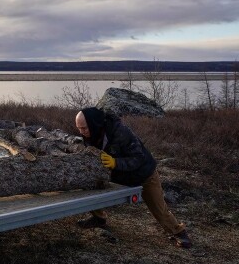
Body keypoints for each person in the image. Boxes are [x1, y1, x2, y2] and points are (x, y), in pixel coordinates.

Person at [74, 107, 192, 249]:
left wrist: (115, 162)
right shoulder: (90, 135)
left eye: (84, 128)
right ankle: (99, 218)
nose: (81, 132)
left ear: (94, 124)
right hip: (118, 175)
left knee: (159, 208)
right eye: (79, 128)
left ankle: (178, 232)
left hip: (143, 174)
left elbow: (138, 158)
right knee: (89, 185)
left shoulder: (120, 132)